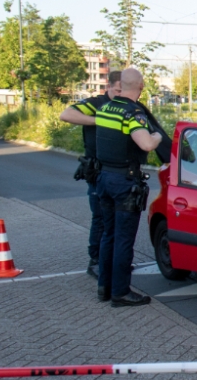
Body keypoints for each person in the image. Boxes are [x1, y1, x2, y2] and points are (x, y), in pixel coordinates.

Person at [94, 68, 162, 307]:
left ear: (120, 85)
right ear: (141, 86)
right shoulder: (132, 113)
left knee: (108, 235)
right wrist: (157, 138)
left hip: (104, 178)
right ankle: (121, 292)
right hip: (124, 182)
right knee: (124, 239)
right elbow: (145, 143)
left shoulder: (105, 109)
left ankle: (104, 287)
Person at [59, 71, 122, 277]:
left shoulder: (125, 106)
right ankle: (95, 260)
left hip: (118, 170)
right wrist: (98, 120)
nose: (121, 94)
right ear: (109, 86)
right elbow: (66, 114)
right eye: (118, 90)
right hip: (97, 169)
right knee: (100, 217)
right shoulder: (97, 103)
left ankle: (110, 258)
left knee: (116, 218)